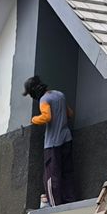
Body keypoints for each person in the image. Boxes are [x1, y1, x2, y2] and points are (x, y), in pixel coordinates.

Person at [24, 75, 77, 206]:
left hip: (53, 143)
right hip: (66, 138)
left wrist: (33, 120)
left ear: (33, 91)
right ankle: (69, 201)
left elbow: (47, 117)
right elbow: (70, 113)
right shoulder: (60, 94)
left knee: (51, 176)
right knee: (67, 172)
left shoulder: (44, 99)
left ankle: (54, 205)